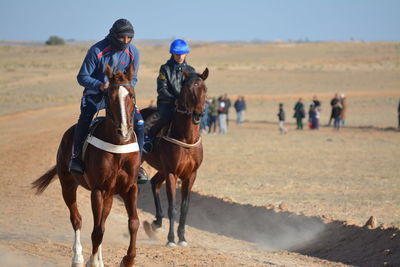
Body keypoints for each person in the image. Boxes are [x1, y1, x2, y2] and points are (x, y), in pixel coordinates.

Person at [68, 18, 148, 183]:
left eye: (129, 38)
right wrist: (99, 85)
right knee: (85, 118)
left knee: (139, 123)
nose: (126, 41)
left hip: (120, 97)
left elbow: (133, 79)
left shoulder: (134, 53)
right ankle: (76, 158)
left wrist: (123, 90)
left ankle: (138, 164)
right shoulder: (96, 50)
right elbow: (82, 76)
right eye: (122, 38)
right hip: (96, 95)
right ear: (113, 35)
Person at [143, 39, 195, 152]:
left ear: (186, 53)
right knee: (165, 117)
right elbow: (162, 88)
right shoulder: (165, 69)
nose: (180, 56)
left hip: (184, 106)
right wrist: (174, 100)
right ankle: (148, 140)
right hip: (166, 103)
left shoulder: (191, 71)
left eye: (182, 54)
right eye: (177, 54)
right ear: (172, 53)